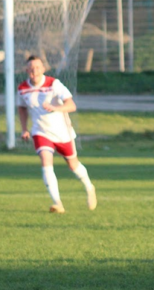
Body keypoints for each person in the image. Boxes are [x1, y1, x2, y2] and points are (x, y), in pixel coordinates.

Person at [17, 56, 97, 213]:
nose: (35, 71)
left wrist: (55, 108)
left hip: (62, 132)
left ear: (43, 69)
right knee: (46, 162)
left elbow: (71, 105)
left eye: (38, 67)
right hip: (40, 132)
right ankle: (57, 203)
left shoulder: (54, 84)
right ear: (27, 71)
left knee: (73, 165)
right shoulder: (22, 89)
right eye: (31, 68)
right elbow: (21, 108)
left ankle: (89, 186)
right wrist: (24, 128)